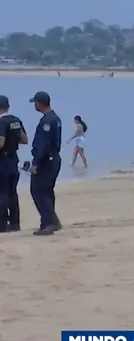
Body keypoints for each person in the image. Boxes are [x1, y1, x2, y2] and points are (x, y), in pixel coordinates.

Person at [28, 91, 63, 235]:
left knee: (38, 190)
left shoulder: (47, 121)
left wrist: (35, 162)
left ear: (39, 103)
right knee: (47, 191)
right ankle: (47, 222)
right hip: (53, 159)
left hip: (46, 160)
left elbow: (44, 144)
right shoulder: (55, 118)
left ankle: (50, 222)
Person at [0, 95, 27, 233]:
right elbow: (24, 139)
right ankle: (15, 224)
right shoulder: (16, 120)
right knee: (12, 192)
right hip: (13, 159)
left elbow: (1, 143)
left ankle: (3, 224)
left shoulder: (2, 122)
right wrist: (13, 142)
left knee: (2, 193)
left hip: (2, 161)